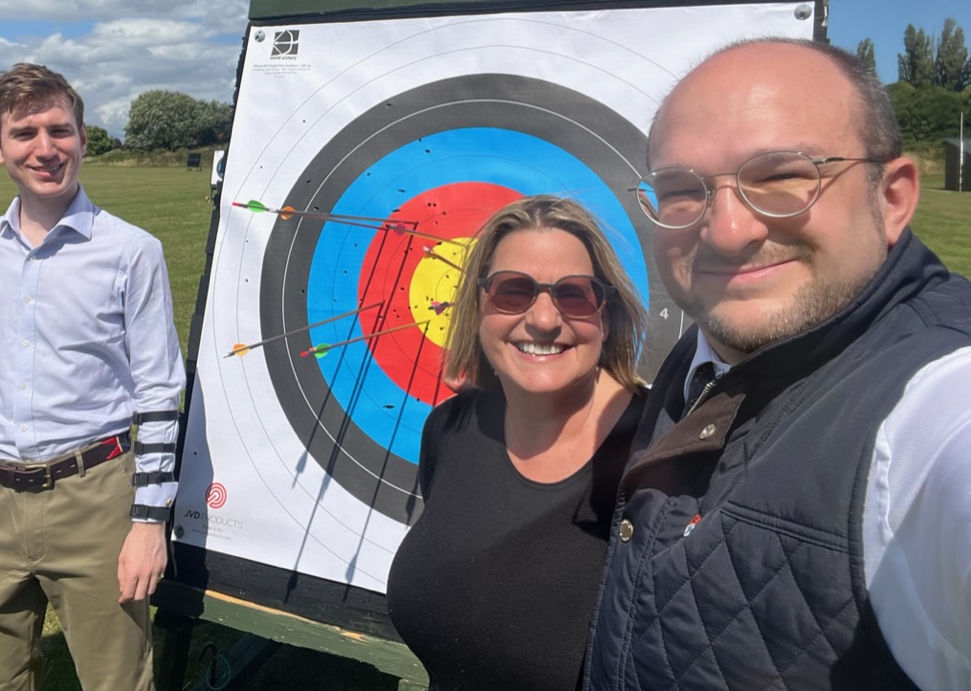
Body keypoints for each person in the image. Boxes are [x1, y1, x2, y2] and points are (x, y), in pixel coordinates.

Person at [585, 39, 971, 690]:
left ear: (895, 197)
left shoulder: (936, 409)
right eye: (682, 189)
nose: (727, 230)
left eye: (784, 176)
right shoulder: (707, 348)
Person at [0, 63, 184, 691]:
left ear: (83, 136)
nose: (45, 149)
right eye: (24, 133)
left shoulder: (132, 250)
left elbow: (159, 392)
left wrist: (149, 524)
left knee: (117, 680)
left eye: (60, 130)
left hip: (93, 494)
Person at [388, 195, 648, 691]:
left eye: (575, 294)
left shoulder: (660, 455)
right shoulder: (450, 429)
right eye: (513, 292)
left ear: (607, 316)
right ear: (479, 310)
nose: (545, 320)